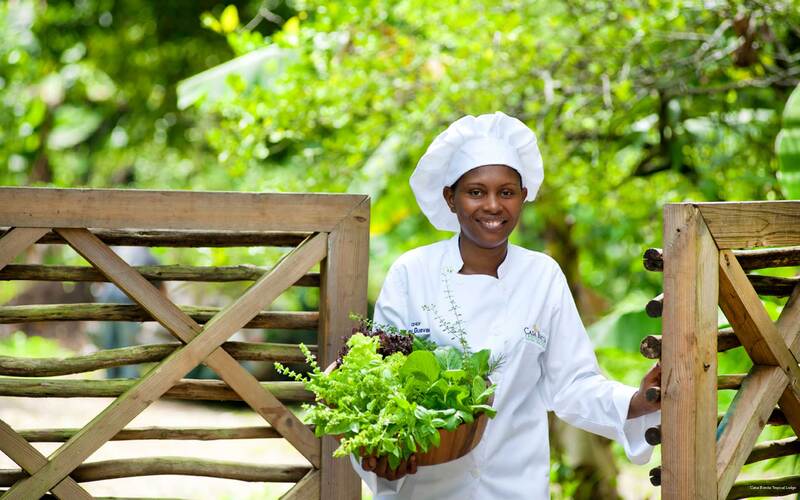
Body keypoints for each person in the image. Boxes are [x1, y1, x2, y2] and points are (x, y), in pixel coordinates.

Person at [351, 112, 662, 499]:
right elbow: (380, 385)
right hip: (428, 488)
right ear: (450, 198)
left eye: (507, 192)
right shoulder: (411, 274)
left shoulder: (542, 275)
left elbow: (571, 384)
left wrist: (635, 400)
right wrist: (383, 453)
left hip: (516, 484)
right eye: (476, 192)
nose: (493, 206)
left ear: (523, 197)